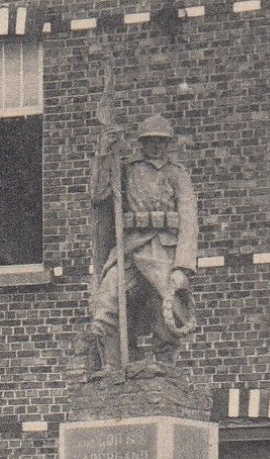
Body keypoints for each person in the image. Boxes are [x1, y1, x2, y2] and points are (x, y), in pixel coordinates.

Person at [84, 114, 199, 376]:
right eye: (149, 141)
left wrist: (183, 267)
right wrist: (104, 155)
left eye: (160, 141)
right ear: (142, 143)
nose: (155, 146)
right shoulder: (126, 169)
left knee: (164, 308)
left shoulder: (177, 175)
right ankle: (111, 364)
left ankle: (165, 365)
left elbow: (190, 221)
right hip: (130, 248)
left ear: (168, 143)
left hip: (163, 250)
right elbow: (99, 194)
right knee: (106, 301)